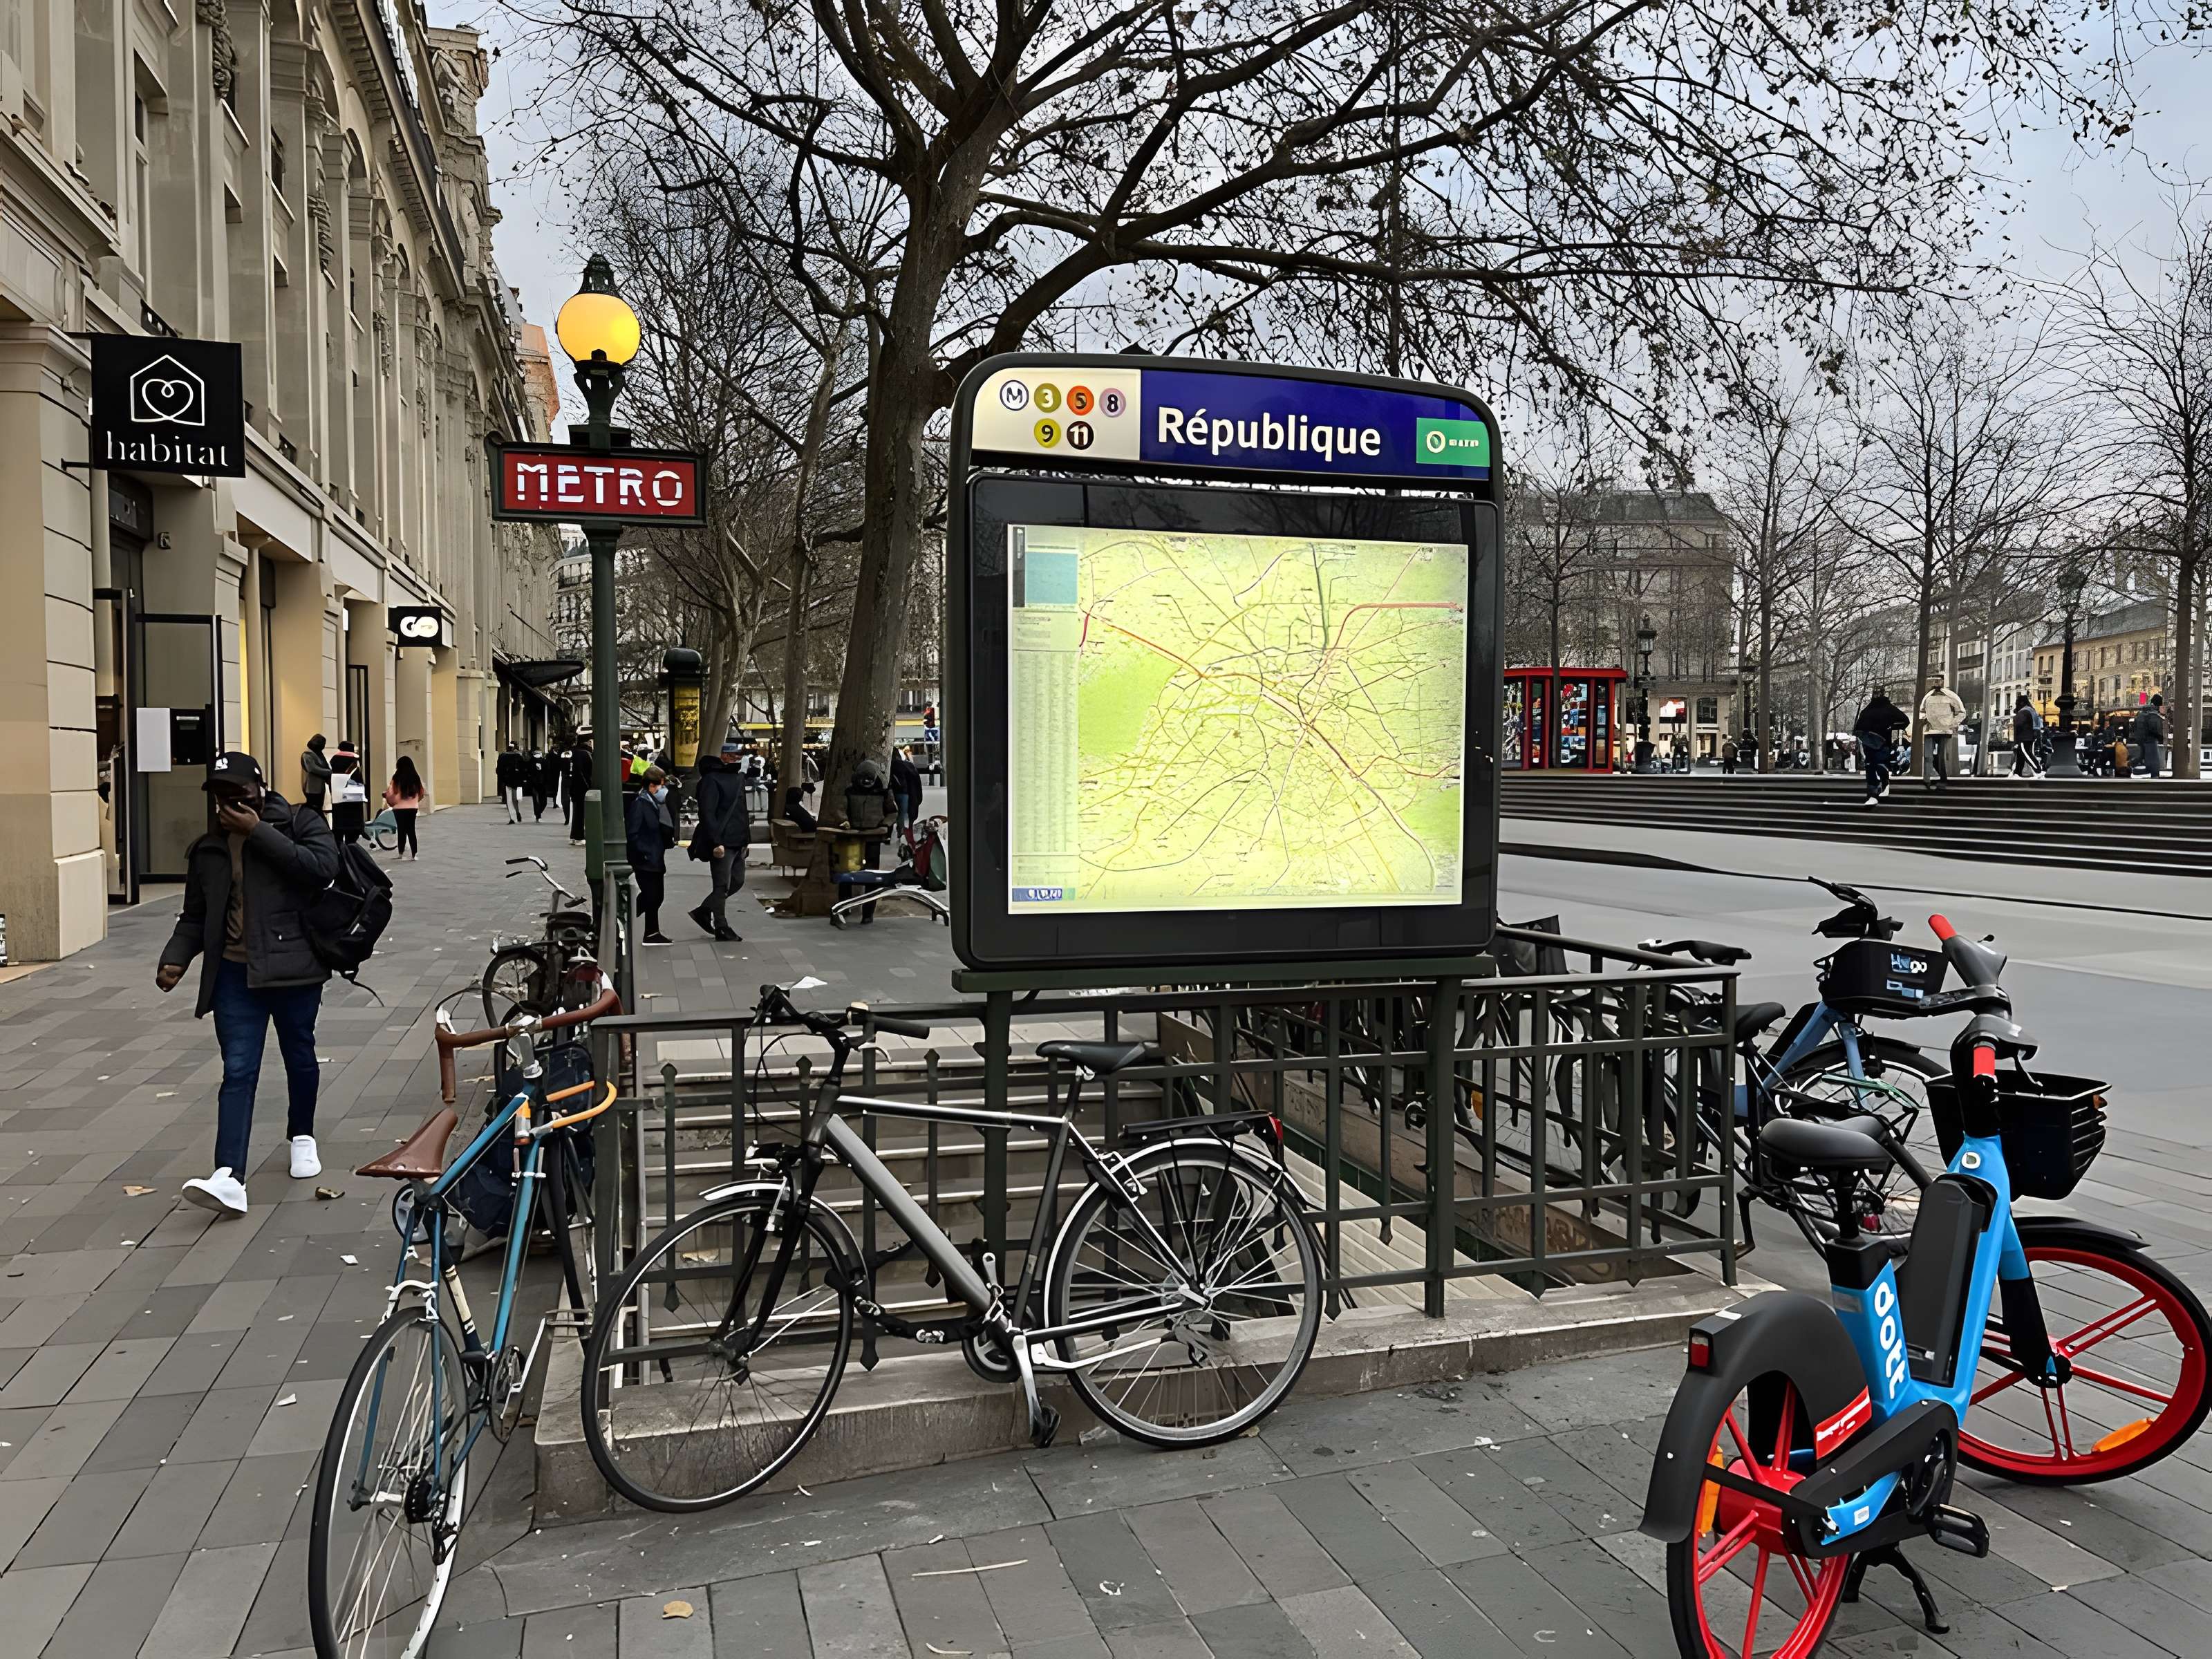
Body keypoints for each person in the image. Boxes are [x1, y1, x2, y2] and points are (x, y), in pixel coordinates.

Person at [156, 751, 340, 1216]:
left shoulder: (300, 822)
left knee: (299, 1052)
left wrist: (257, 831)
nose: (227, 805)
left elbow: (321, 869)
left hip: (294, 967)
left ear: (259, 789)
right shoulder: (209, 850)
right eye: (219, 797)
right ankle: (229, 1176)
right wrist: (175, 959)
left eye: (236, 794)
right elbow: (196, 917)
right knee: (238, 1069)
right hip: (235, 973)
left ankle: (302, 1135)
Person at [686, 739, 750, 941]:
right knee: (722, 885)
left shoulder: (730, 779)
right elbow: (709, 813)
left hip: (736, 840)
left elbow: (717, 812)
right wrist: (717, 842)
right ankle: (721, 925)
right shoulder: (713, 781)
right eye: (734, 756)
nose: (737, 759)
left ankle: (704, 910)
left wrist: (744, 841)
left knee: (736, 881)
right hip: (725, 841)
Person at [626, 765, 676, 944]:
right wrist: (642, 854)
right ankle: (626, 918)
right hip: (645, 859)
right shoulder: (640, 804)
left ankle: (650, 931)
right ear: (651, 786)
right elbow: (633, 833)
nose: (663, 789)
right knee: (651, 895)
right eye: (661, 785)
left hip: (655, 857)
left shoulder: (656, 803)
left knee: (656, 896)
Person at [1853, 689, 1907, 806]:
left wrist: (1890, 727)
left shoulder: (1878, 709)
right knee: (1872, 766)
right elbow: (1858, 727)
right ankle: (1874, 793)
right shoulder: (1871, 709)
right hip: (1874, 742)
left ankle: (1880, 788)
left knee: (1878, 765)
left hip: (1880, 742)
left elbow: (1905, 721)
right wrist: (1890, 727)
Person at [1917, 674, 1967, 791]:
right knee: (1928, 756)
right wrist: (1925, 719)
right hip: (1930, 730)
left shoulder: (1951, 696)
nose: (1936, 684)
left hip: (1944, 730)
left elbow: (1961, 712)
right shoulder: (1927, 697)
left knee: (1942, 756)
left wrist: (1952, 724)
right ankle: (1927, 779)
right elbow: (1922, 711)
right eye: (1934, 681)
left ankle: (1942, 779)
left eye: (1938, 681)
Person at [383, 755, 427, 858]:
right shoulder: (415, 778)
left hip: (399, 809)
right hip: (412, 808)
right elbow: (422, 793)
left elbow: (391, 792)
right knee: (411, 830)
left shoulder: (396, 778)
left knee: (401, 830)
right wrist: (415, 801)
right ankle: (414, 854)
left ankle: (401, 854)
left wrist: (391, 802)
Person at [328, 740, 368, 843]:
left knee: (339, 823)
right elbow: (359, 779)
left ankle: (340, 847)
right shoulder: (355, 760)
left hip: (338, 797)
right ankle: (351, 844)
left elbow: (330, 778)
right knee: (353, 825)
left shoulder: (334, 760)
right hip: (353, 798)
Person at [566, 735, 594, 842]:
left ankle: (575, 836)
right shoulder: (585, 754)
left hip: (575, 788)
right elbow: (585, 772)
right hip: (583, 788)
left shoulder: (575, 753)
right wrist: (588, 785)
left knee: (577, 813)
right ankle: (579, 836)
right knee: (581, 814)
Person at [890, 744, 924, 832]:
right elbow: (917, 784)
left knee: (898, 815)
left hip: (895, 793)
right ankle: (903, 831)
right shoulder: (909, 766)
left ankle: (900, 831)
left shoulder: (891, 766)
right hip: (906, 794)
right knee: (903, 815)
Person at [2009, 696, 2045, 780]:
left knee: (2026, 754)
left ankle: (2038, 771)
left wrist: (2016, 741)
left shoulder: (2023, 712)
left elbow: (2018, 726)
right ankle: (2017, 772)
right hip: (2030, 736)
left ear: (2021, 703)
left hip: (2024, 737)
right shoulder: (2031, 710)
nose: (2016, 704)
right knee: (2020, 754)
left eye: (2017, 702)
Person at [2133, 695, 2166, 779]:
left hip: (2142, 738)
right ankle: (2155, 774)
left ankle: (2130, 766)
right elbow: (2153, 728)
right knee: (2154, 759)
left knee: (2142, 756)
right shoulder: (2153, 713)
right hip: (2150, 739)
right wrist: (2159, 737)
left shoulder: (2144, 712)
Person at [496, 742, 529, 823]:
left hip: (506, 780)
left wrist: (501, 778)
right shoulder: (518, 757)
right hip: (516, 780)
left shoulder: (503, 756)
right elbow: (523, 768)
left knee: (508, 799)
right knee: (515, 799)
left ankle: (512, 817)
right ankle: (517, 812)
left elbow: (498, 770)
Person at [300, 733, 332, 817]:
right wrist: (328, 772)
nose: (324, 747)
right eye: (323, 745)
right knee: (314, 811)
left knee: (319, 808)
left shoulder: (318, 754)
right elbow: (312, 769)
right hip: (311, 788)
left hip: (320, 788)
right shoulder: (307, 755)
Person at [531, 749, 556, 821]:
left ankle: (538, 813)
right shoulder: (533, 762)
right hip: (536, 784)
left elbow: (548, 772)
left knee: (542, 801)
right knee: (538, 800)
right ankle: (538, 814)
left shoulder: (545, 762)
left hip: (542, 784)